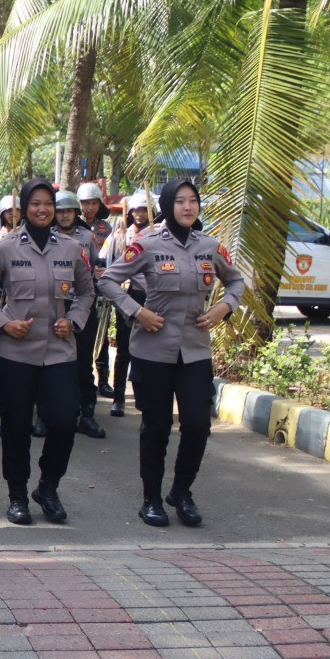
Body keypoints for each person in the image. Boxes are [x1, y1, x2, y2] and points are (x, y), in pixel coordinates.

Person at [99, 178, 244, 528]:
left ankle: (181, 491)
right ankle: (151, 498)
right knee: (156, 426)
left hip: (194, 351)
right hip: (153, 350)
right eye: (180, 201)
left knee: (197, 424)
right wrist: (137, 311)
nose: (188, 207)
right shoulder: (145, 244)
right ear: (167, 205)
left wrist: (224, 307)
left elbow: (236, 281)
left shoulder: (210, 246)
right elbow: (106, 280)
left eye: (193, 201)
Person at [0, 179, 95, 526]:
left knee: (63, 421)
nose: (42, 210)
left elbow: (87, 292)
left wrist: (73, 321)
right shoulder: (5, 247)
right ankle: (18, 495)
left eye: (48, 204)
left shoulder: (71, 248)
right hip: (13, 353)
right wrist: (2, 322)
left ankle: (48, 488)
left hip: (58, 352)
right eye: (35, 204)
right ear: (24, 208)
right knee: (17, 425)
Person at [55, 190, 108, 441]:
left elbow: (97, 265)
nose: (64, 215)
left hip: (82, 304)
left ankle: (87, 415)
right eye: (60, 210)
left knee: (83, 361)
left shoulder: (87, 237)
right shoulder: (47, 235)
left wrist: (101, 272)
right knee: (52, 363)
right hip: (54, 305)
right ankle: (48, 415)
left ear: (76, 213)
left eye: (69, 210)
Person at [105, 189, 154, 417]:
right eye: (137, 210)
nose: (140, 214)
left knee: (149, 351)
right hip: (129, 296)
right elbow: (106, 264)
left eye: (145, 209)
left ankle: (146, 397)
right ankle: (118, 398)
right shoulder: (120, 236)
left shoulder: (157, 234)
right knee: (124, 349)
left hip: (154, 297)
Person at [77, 182, 116, 397]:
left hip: (101, 288)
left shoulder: (108, 229)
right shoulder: (72, 225)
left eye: (93, 203)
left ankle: (102, 379)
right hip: (77, 288)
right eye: (85, 203)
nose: (89, 207)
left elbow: (112, 257)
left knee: (100, 336)